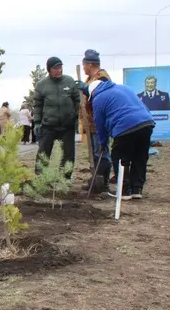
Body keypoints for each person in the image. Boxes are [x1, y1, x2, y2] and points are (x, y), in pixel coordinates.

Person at [89, 79, 155, 200]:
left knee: (120, 158)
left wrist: (102, 143)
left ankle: (124, 191)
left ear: (93, 92)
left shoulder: (98, 99)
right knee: (140, 156)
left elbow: (99, 124)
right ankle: (137, 189)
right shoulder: (125, 88)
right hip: (146, 123)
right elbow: (142, 106)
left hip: (124, 126)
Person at [33, 56, 81, 179]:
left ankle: (65, 178)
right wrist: (37, 122)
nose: (59, 70)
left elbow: (77, 101)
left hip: (67, 125)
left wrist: (74, 116)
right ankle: (40, 177)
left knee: (68, 153)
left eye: (60, 67)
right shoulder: (41, 85)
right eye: (56, 68)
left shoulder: (69, 81)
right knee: (44, 152)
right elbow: (37, 105)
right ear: (49, 69)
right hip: (49, 125)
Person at [79, 49, 112, 192]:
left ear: (90, 64)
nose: (84, 68)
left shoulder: (102, 77)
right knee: (94, 153)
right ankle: (96, 180)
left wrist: (85, 89)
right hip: (91, 124)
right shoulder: (89, 79)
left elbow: (98, 95)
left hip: (99, 123)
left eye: (84, 65)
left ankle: (102, 182)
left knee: (101, 152)